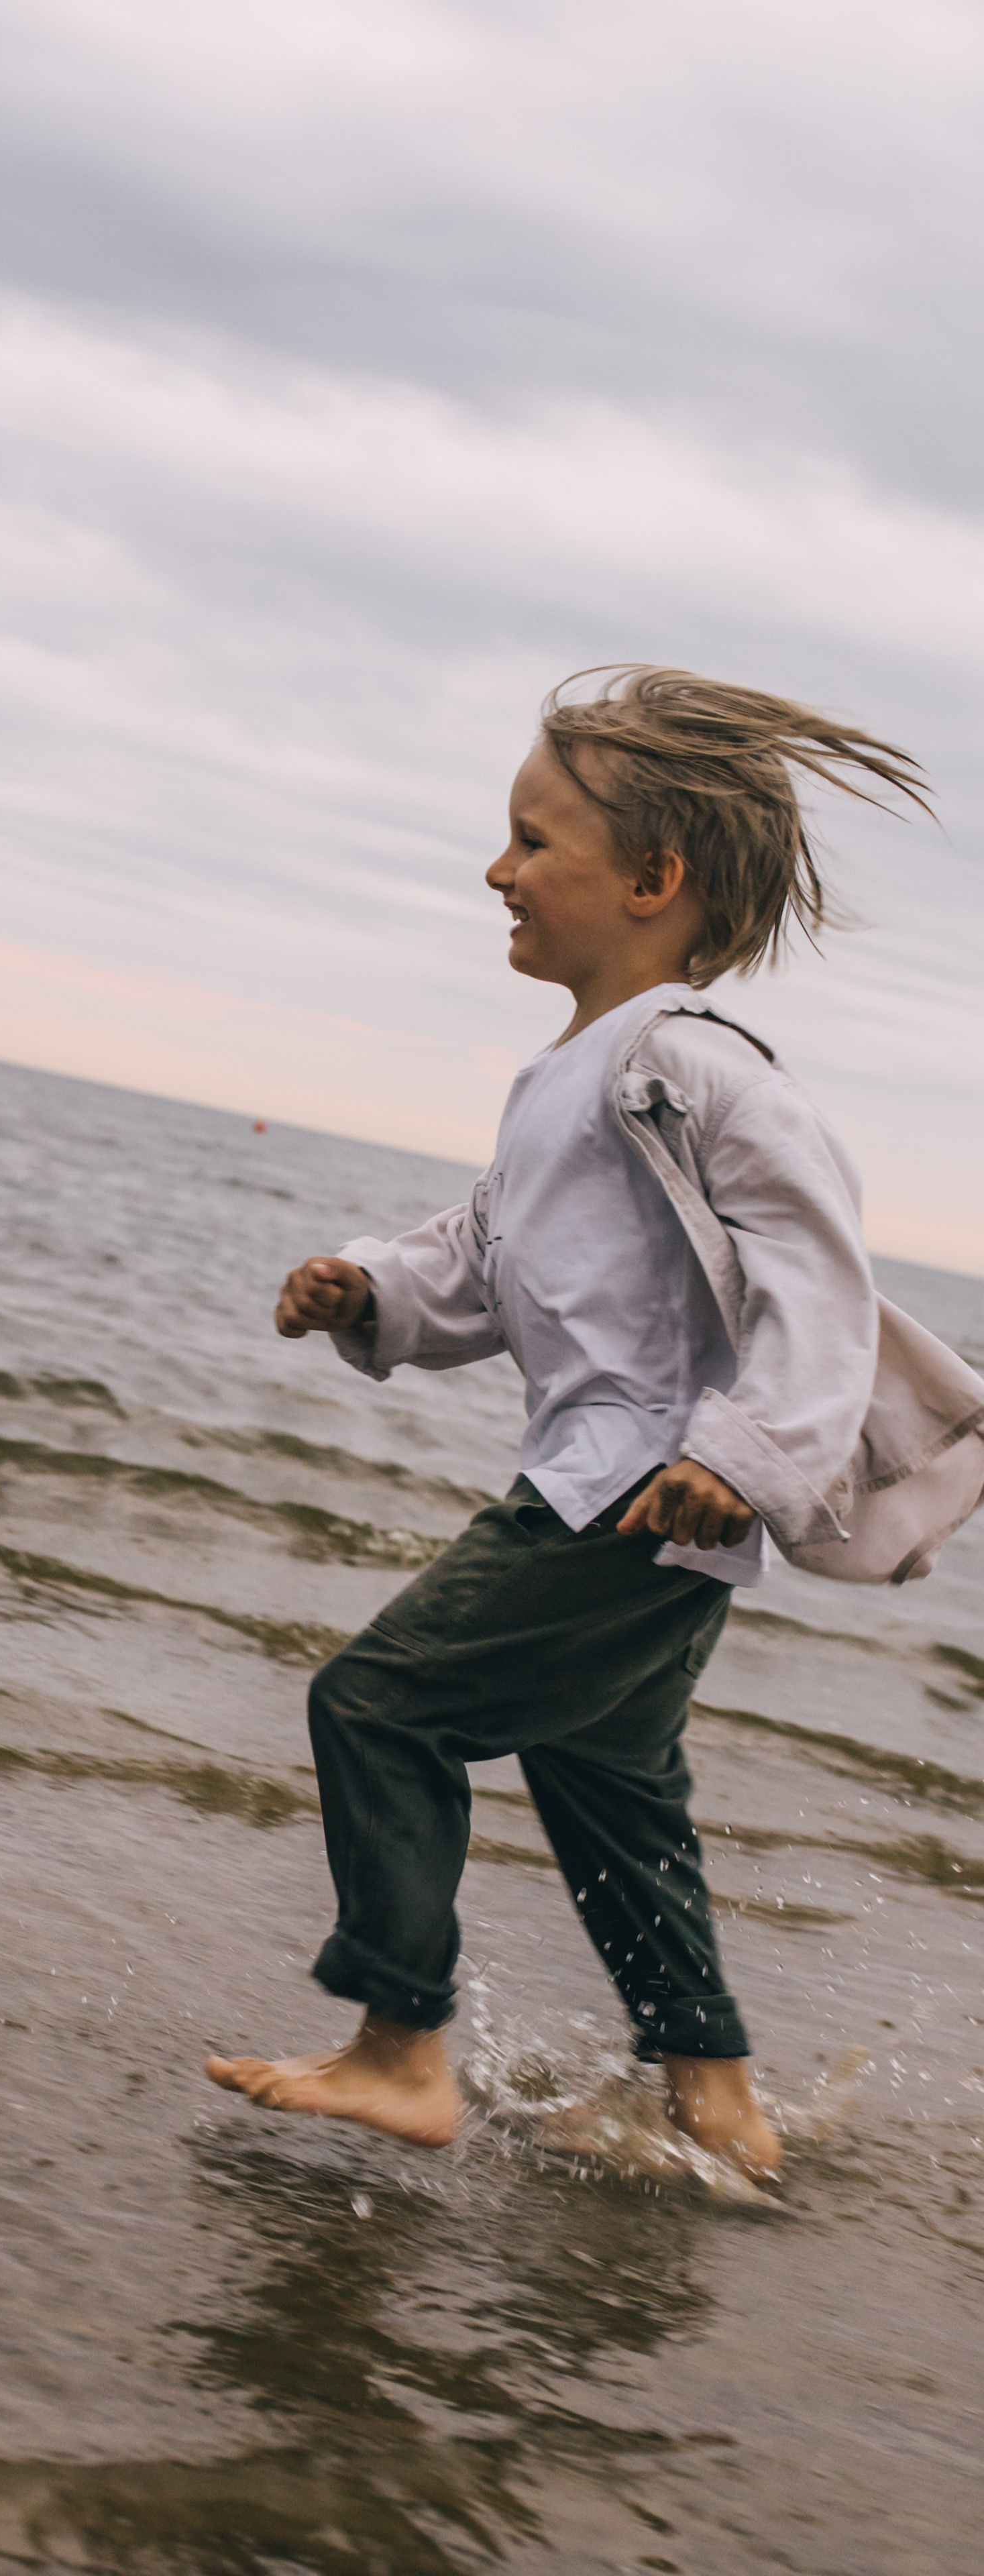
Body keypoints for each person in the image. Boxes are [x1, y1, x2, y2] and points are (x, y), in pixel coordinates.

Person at [205, 665, 984, 2181]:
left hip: (641, 1493)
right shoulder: (568, 1076)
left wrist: (740, 1458)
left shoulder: (690, 1064)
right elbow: (483, 1258)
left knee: (377, 1705)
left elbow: (814, 1279)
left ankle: (398, 2047)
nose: (496, 870)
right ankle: (714, 2100)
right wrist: (367, 1288)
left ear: (649, 880)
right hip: (633, 1492)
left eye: (529, 840)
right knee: (606, 1780)